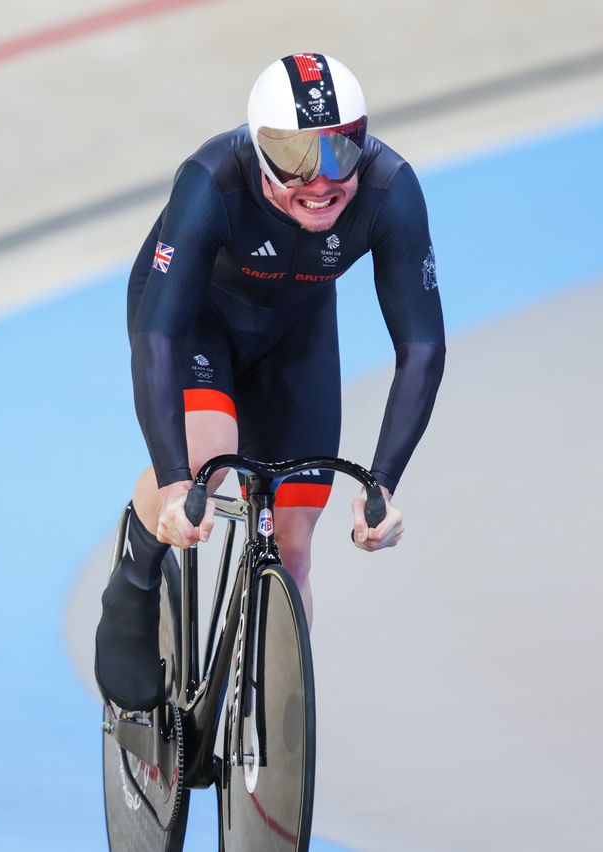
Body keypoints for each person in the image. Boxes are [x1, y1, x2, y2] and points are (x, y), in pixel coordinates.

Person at [94, 52, 446, 711]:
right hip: (194, 320)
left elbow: (422, 345)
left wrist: (384, 486)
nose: (320, 183)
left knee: (293, 545)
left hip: (296, 334)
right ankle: (136, 581)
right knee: (207, 458)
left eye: (338, 152)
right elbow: (159, 336)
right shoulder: (211, 180)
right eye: (293, 158)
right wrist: (176, 485)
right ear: (257, 151)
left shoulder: (391, 188)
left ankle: (272, 746)